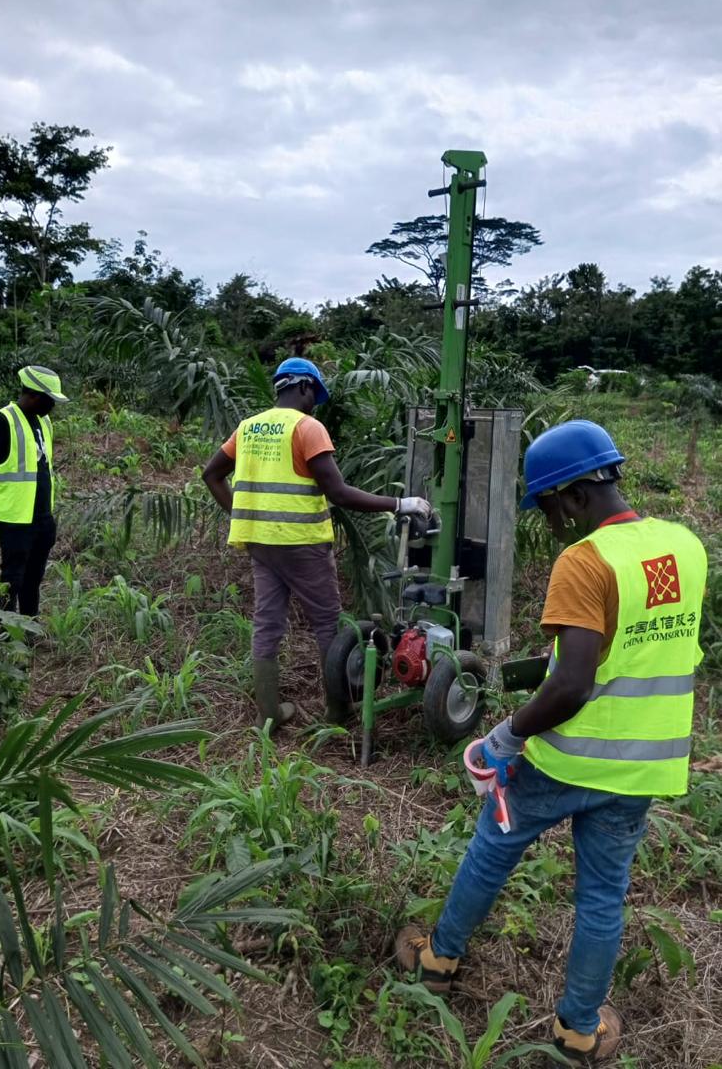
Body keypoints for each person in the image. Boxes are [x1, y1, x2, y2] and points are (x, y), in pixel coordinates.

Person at [395, 420, 707, 1064]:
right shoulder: (685, 545)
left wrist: (503, 738)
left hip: (567, 759)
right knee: (602, 897)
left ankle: (439, 960)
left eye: (546, 505)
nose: (550, 520)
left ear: (572, 494)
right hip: (643, 768)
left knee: (492, 847)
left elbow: (570, 686)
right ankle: (578, 1029)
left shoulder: (585, 561)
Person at [202, 357, 430, 730]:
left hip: (260, 543)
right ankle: (338, 712)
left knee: (267, 625)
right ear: (304, 386)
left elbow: (211, 475)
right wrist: (399, 503)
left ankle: (269, 714)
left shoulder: (247, 428)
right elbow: (338, 493)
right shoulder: (308, 428)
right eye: (315, 395)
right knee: (327, 624)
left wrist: (242, 514)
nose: (315, 403)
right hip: (302, 543)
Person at [0, 365, 69, 617]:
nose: (52, 406)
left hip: (42, 516)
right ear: (34, 395)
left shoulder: (43, 421)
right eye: (50, 400)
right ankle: (4, 633)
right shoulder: (3, 421)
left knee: (34, 578)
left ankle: (29, 628)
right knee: (12, 577)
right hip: (15, 518)